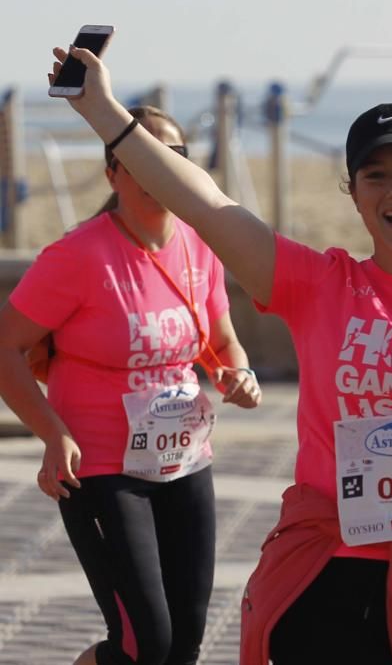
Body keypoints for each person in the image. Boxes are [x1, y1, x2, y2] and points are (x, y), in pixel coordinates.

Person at [52, 44, 392, 665]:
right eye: (376, 174)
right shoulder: (319, 283)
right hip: (328, 573)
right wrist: (105, 112)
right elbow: (206, 203)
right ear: (353, 193)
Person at [0, 103, 261, 665]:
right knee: (148, 644)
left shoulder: (199, 245)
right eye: (135, 158)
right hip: (99, 467)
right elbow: (6, 347)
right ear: (113, 172)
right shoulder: (78, 256)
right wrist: (51, 432)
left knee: (186, 641)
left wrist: (236, 374)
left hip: (184, 460)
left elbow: (222, 343)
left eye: (168, 156)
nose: (153, 170)